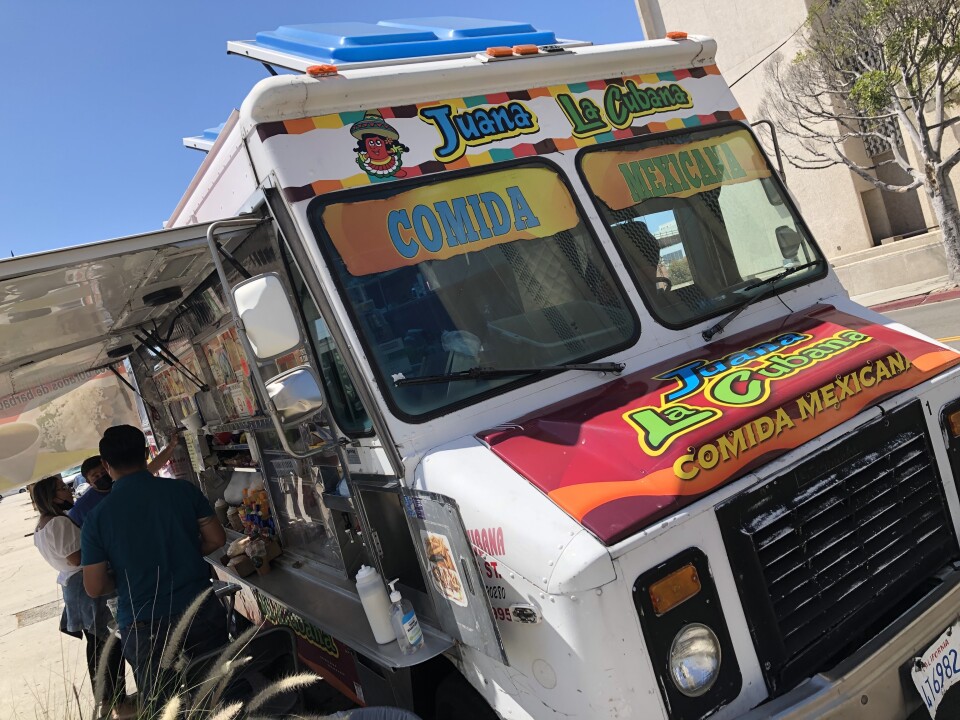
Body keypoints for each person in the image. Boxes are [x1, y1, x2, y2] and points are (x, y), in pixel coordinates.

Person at [81, 425, 227, 703]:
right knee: (219, 693)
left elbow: (95, 586)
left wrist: (125, 576)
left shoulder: (96, 519)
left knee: (166, 704)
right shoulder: (183, 490)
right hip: (199, 608)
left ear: (105, 464)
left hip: (143, 625)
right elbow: (217, 539)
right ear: (146, 453)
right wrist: (184, 552)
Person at [31, 475, 131, 718]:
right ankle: (115, 699)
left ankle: (108, 699)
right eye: (62, 488)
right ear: (50, 496)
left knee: (97, 643)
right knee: (109, 643)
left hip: (74, 586)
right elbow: (76, 558)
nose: (68, 491)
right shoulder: (58, 523)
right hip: (86, 584)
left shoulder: (43, 525)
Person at [69, 433, 180, 527]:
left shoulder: (127, 483)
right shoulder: (81, 509)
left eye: (103, 472)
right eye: (96, 476)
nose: (101, 477)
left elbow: (153, 466)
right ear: (88, 482)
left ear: (108, 467)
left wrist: (171, 446)